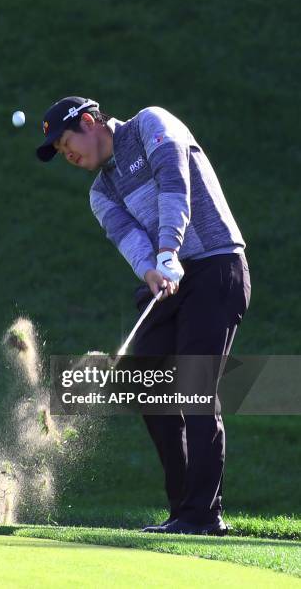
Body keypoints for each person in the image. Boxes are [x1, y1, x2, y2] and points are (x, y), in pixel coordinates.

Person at [36, 96, 251, 536]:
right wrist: (152, 268)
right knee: (150, 390)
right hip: (168, 282)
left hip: (215, 266)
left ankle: (203, 515)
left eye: (66, 142)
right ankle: (182, 512)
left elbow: (175, 182)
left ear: (91, 122)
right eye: (59, 152)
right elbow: (130, 239)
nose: (68, 154)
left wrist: (169, 247)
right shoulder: (101, 193)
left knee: (194, 388)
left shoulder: (150, 124)